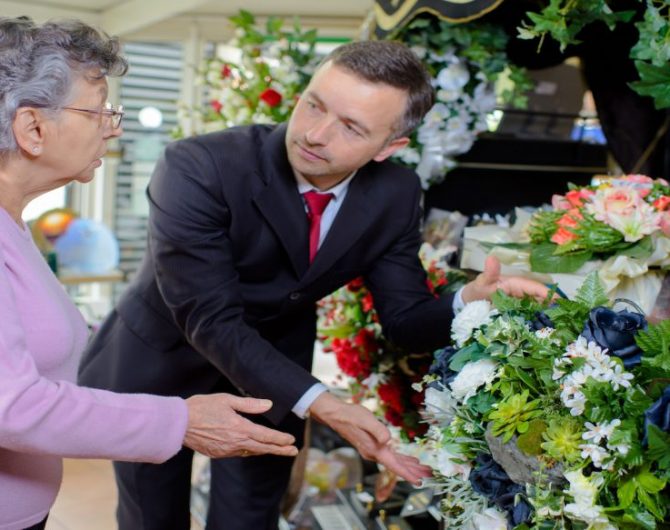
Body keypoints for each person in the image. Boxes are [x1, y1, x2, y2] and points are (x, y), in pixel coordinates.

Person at [79, 40, 550, 529]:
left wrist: (467, 302)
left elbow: (406, 320)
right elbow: (210, 318)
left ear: (389, 148)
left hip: (275, 362)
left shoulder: (396, 192)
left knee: (250, 517)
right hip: (164, 359)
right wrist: (327, 406)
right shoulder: (200, 165)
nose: (315, 134)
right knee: (152, 516)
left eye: (351, 127)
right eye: (314, 105)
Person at [0, 17, 300, 530]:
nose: (113, 127)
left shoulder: (16, 227)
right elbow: (15, 406)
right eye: (97, 112)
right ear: (32, 128)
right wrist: (179, 421)